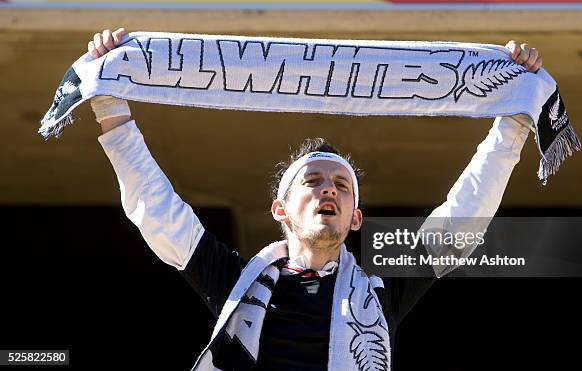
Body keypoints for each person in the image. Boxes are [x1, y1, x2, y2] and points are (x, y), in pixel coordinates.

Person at [89, 28, 541, 370]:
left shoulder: (383, 291)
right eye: (313, 181)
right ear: (280, 211)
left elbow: (462, 218)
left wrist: (516, 116)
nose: (329, 189)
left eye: (342, 186)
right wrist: (111, 106)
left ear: (356, 218)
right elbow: (157, 210)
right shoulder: (233, 279)